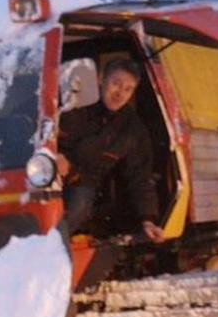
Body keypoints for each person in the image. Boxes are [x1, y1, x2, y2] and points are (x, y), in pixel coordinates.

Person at [56, 57, 166, 243]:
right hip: (46, 172)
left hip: (83, 183)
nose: (120, 94)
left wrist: (148, 219)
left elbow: (140, 177)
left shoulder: (132, 130)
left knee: (80, 204)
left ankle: (52, 250)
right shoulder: (71, 105)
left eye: (128, 89)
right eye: (116, 83)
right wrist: (53, 156)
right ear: (100, 79)